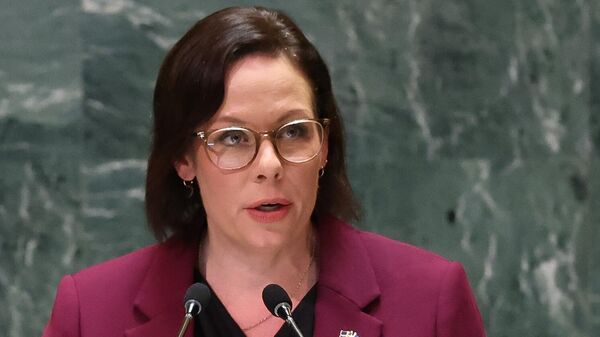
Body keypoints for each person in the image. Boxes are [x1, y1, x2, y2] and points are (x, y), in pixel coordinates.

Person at [43, 6, 486, 337]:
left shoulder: (429, 302)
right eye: (233, 138)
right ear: (183, 158)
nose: (270, 166)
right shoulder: (91, 313)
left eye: (294, 132)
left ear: (325, 147)